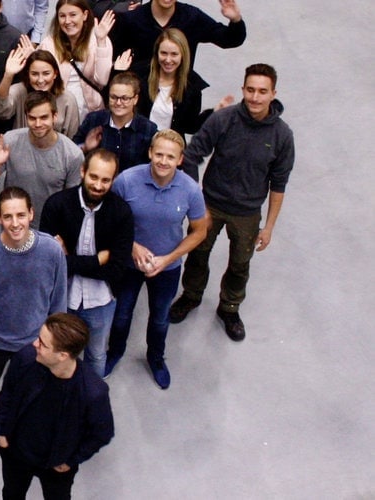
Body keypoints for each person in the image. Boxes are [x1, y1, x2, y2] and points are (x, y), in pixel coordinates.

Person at [170, 63, 295, 341]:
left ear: (273, 93)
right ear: (243, 89)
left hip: (248, 212)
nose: (255, 97)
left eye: (262, 91)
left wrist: (269, 227)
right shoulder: (224, 119)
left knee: (240, 263)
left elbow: (279, 183)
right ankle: (191, 295)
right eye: (250, 90)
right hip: (210, 204)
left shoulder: (282, 136)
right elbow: (192, 155)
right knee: (198, 254)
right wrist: (195, 202)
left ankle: (229, 306)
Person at [0, 186, 68, 465]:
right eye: (8, 216)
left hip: (33, 341)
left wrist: (56, 340)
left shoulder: (52, 251)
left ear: (32, 213)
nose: (15, 223)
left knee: (31, 390)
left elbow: (58, 297)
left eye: (21, 214)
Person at [105, 129, 209, 389]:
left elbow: (200, 231)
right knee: (121, 314)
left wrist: (168, 259)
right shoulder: (127, 181)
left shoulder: (190, 190)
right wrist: (132, 247)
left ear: (180, 159)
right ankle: (114, 352)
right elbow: (108, 221)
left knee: (160, 317)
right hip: (129, 264)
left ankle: (156, 358)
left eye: (170, 157)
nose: (163, 161)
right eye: (159, 154)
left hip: (167, 267)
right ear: (150, 153)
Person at [0, 313, 115, 499]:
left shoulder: (92, 393)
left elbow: (102, 433)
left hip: (56, 465)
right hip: (16, 453)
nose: (35, 344)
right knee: (12, 493)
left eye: (42, 343)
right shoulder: (26, 359)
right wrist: (1, 432)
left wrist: (71, 460)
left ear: (62, 355)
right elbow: (7, 393)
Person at [40, 149, 134, 377]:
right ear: (83, 171)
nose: (99, 185)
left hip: (101, 300)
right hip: (62, 297)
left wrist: (69, 260)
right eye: (94, 177)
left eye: (106, 180)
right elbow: (48, 264)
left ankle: (90, 403)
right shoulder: (57, 205)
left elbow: (117, 269)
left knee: (97, 355)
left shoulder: (122, 213)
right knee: (55, 353)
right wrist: (98, 259)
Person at [0, 91, 83, 231]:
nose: (38, 124)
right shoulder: (10, 141)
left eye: (44, 117)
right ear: (26, 117)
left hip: (50, 229)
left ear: (55, 116)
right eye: (32, 118)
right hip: (14, 227)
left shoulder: (72, 155)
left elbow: (72, 204)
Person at [109, 0, 245, 84]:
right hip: (140, 98)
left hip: (178, 97)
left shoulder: (191, 17)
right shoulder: (131, 20)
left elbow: (229, 39)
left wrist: (235, 20)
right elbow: (113, 58)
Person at [133, 28, 232, 134]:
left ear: (182, 55)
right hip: (138, 144)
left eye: (174, 54)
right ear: (157, 53)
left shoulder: (192, 86)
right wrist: (118, 71)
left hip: (171, 147)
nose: (168, 59)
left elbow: (191, 127)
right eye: (164, 53)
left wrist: (215, 112)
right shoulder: (139, 75)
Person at [37, 0, 116, 120]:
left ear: (84, 15)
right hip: (59, 110)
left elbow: (102, 80)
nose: (67, 21)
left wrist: (101, 41)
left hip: (90, 110)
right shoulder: (49, 43)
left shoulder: (98, 39)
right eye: (62, 16)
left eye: (73, 15)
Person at [72, 72, 158, 172]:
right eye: (113, 97)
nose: (118, 103)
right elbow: (71, 154)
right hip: (97, 184)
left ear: (135, 99)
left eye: (124, 98)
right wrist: (85, 148)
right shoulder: (94, 120)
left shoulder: (148, 129)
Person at [0, 43, 81, 136]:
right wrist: (8, 75)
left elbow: (73, 136)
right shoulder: (20, 91)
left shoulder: (67, 99)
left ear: (55, 74)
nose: (40, 80)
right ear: (28, 74)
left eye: (46, 73)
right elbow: (0, 110)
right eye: (34, 74)